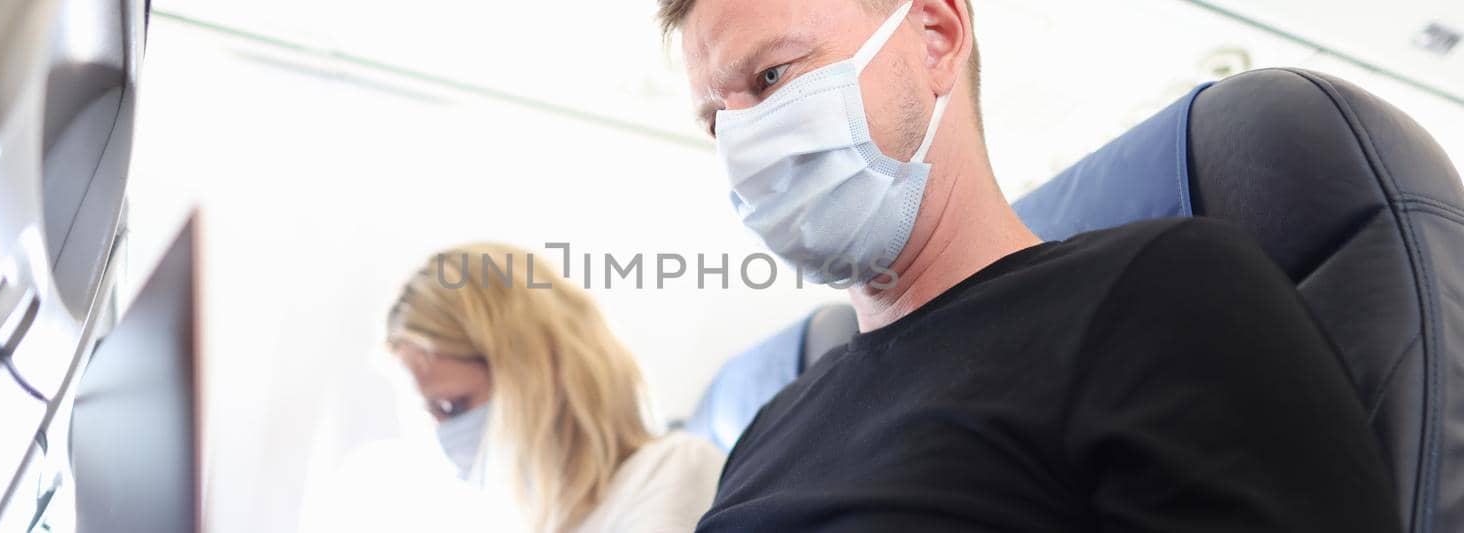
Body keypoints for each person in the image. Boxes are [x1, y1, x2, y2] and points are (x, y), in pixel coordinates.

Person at [656, 0, 1403, 531]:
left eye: (772, 77)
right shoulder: (765, 430)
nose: (743, 142)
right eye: (717, 120)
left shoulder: (1165, 296)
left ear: (937, 36)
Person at [387, 242, 725, 533]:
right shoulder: (520, 518)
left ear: (540, 371)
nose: (442, 434)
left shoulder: (670, 471)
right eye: (429, 413)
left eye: (453, 407)